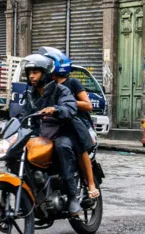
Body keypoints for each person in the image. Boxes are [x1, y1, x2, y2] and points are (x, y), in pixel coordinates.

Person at [18, 53, 83, 215]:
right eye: (29, 72)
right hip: (40, 135)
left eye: (36, 72)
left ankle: (72, 196)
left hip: (61, 132)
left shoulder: (61, 90)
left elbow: (70, 108)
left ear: (46, 73)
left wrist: (56, 109)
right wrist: (6, 123)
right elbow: (22, 115)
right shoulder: (30, 94)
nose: (32, 75)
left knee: (62, 147)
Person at [38, 46, 100, 199]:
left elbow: (88, 105)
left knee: (80, 149)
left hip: (79, 124)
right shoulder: (48, 85)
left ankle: (91, 184)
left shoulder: (73, 83)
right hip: (58, 125)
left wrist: (68, 103)